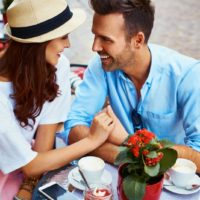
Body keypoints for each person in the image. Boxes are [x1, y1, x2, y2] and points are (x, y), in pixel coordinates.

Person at [64, 0, 200, 172]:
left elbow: (198, 155)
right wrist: (128, 154)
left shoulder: (188, 75)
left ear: (138, 40)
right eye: (95, 36)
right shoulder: (101, 65)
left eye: (106, 39)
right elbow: (73, 127)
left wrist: (126, 141)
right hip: (120, 176)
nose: (95, 47)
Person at [0, 0, 115, 199]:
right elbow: (30, 165)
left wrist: (28, 187)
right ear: (38, 44)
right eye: (63, 37)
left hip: (26, 170)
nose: (68, 44)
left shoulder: (57, 65)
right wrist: (92, 140)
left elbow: (44, 138)